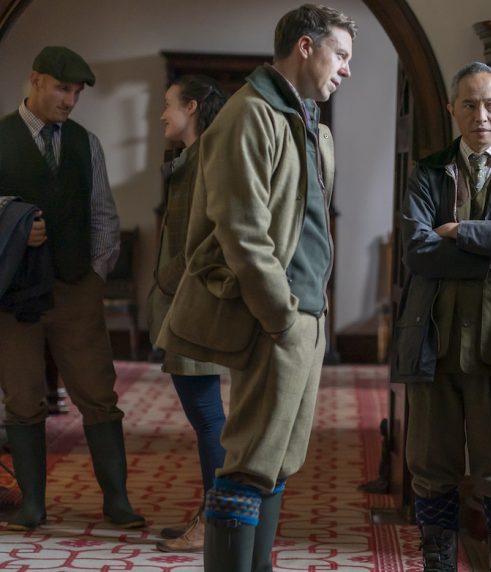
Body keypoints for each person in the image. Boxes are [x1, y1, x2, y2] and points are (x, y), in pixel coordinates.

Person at [156, 5, 354, 569]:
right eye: (340, 55)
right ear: (306, 48)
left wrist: (307, 318)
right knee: (248, 461)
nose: (346, 69)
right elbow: (242, 232)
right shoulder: (250, 115)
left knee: (279, 460)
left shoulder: (310, 120)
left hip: (306, 317)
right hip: (279, 318)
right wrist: (283, 317)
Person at [392, 61, 491, 572]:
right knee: (431, 466)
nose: (479, 115)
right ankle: (437, 563)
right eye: (468, 104)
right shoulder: (427, 171)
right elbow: (416, 251)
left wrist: (458, 230)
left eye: (490, 104)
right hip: (432, 344)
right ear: (451, 110)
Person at [0, 46, 144, 531]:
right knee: (22, 399)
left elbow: (104, 214)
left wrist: (95, 278)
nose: (70, 101)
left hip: (76, 288)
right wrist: (15, 225)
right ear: (36, 80)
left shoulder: (87, 143)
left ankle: (117, 501)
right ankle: (32, 505)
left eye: (77, 92)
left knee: (98, 394)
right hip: (15, 297)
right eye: (62, 88)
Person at [148, 74, 228, 553]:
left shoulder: (209, 160)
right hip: (181, 301)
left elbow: (213, 234)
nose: (162, 113)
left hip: (195, 304)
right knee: (206, 415)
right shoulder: (191, 158)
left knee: (207, 416)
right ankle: (214, 516)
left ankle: (216, 522)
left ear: (192, 107)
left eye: (168, 105)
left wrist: (178, 277)